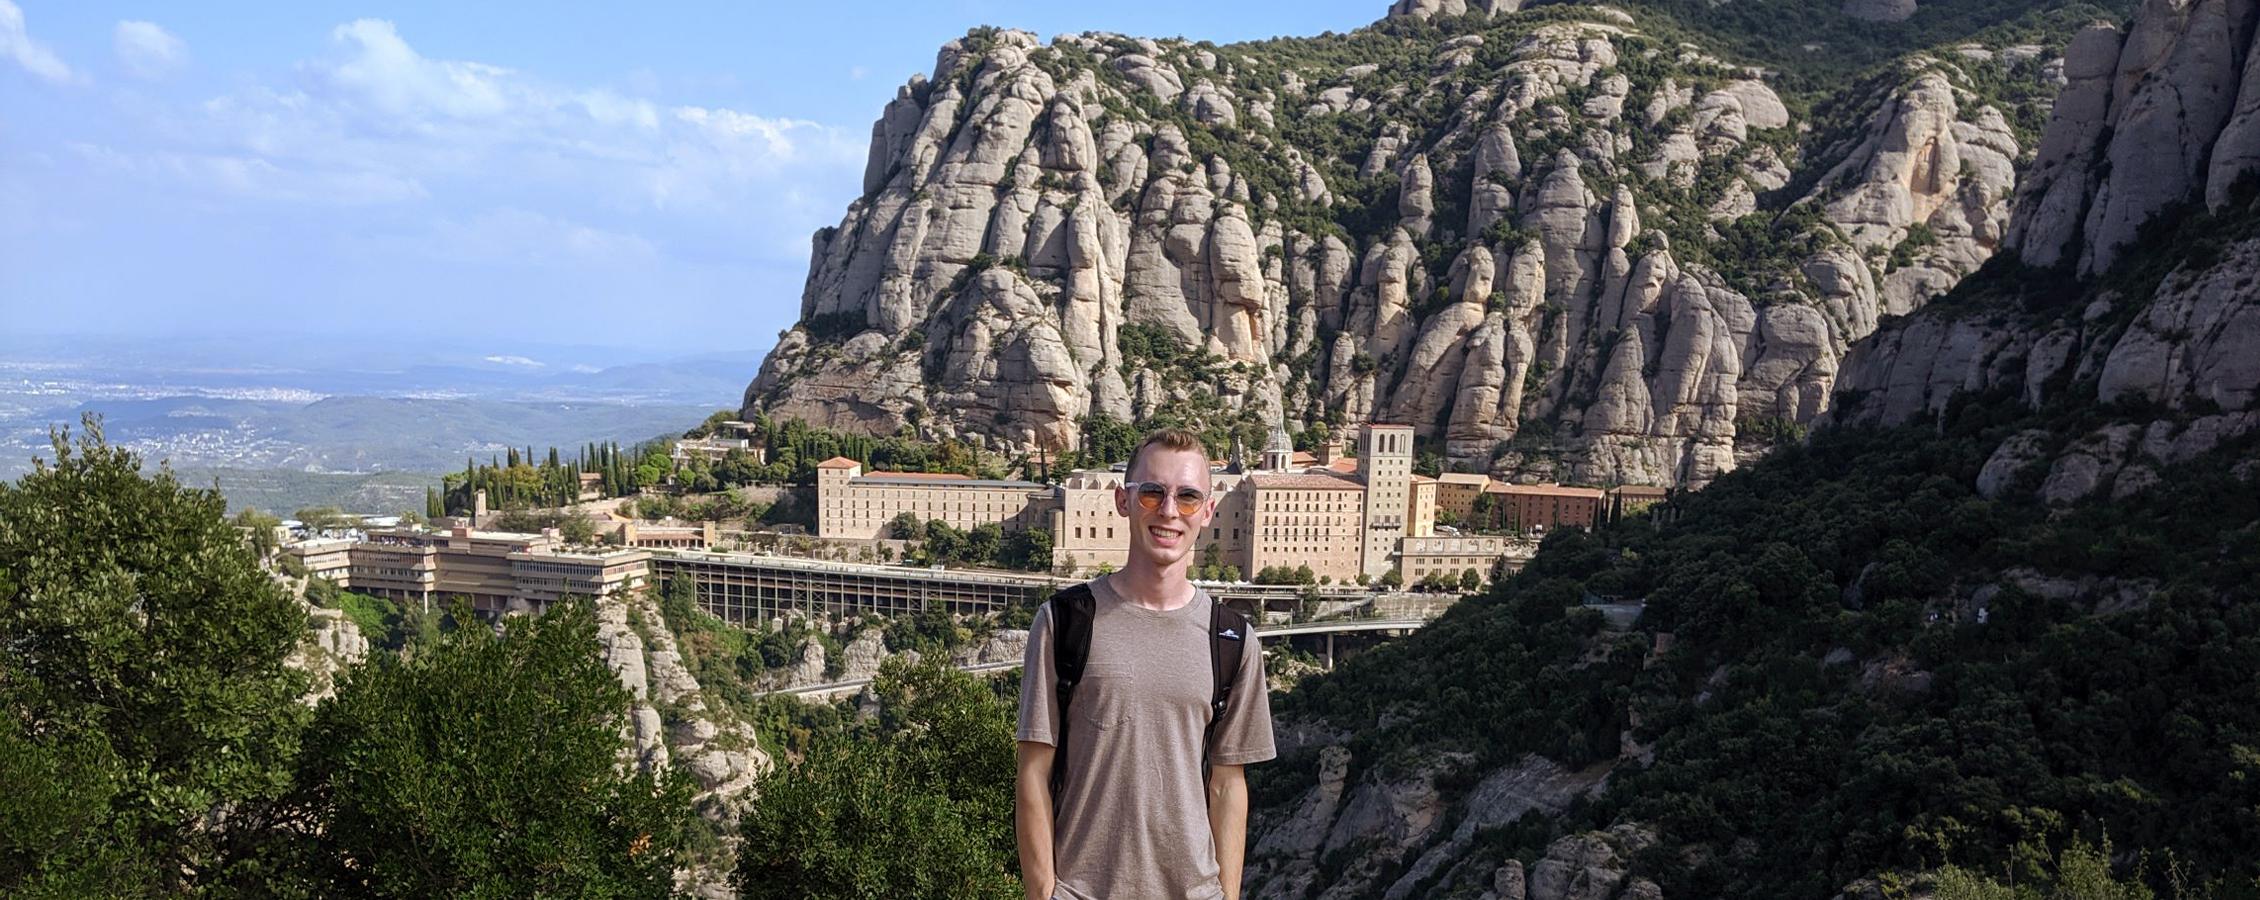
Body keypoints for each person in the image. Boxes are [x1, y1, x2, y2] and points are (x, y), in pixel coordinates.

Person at [1015, 428, 1275, 900]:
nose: (1170, 511)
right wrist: (1044, 894)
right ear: (1123, 500)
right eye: (1153, 493)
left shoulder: (1233, 639)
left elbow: (1228, 786)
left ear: (1208, 511)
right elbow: (1033, 771)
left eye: (1188, 497)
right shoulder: (1064, 621)